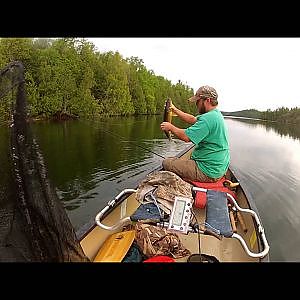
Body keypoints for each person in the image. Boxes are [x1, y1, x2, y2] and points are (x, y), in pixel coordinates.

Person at [160, 85, 230, 183]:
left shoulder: (208, 119)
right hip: (218, 167)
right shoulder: (215, 114)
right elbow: (192, 119)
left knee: (166, 162)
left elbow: (186, 137)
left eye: (198, 101)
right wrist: (174, 109)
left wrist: (171, 127)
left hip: (208, 171)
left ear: (207, 100)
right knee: (181, 160)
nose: (196, 104)